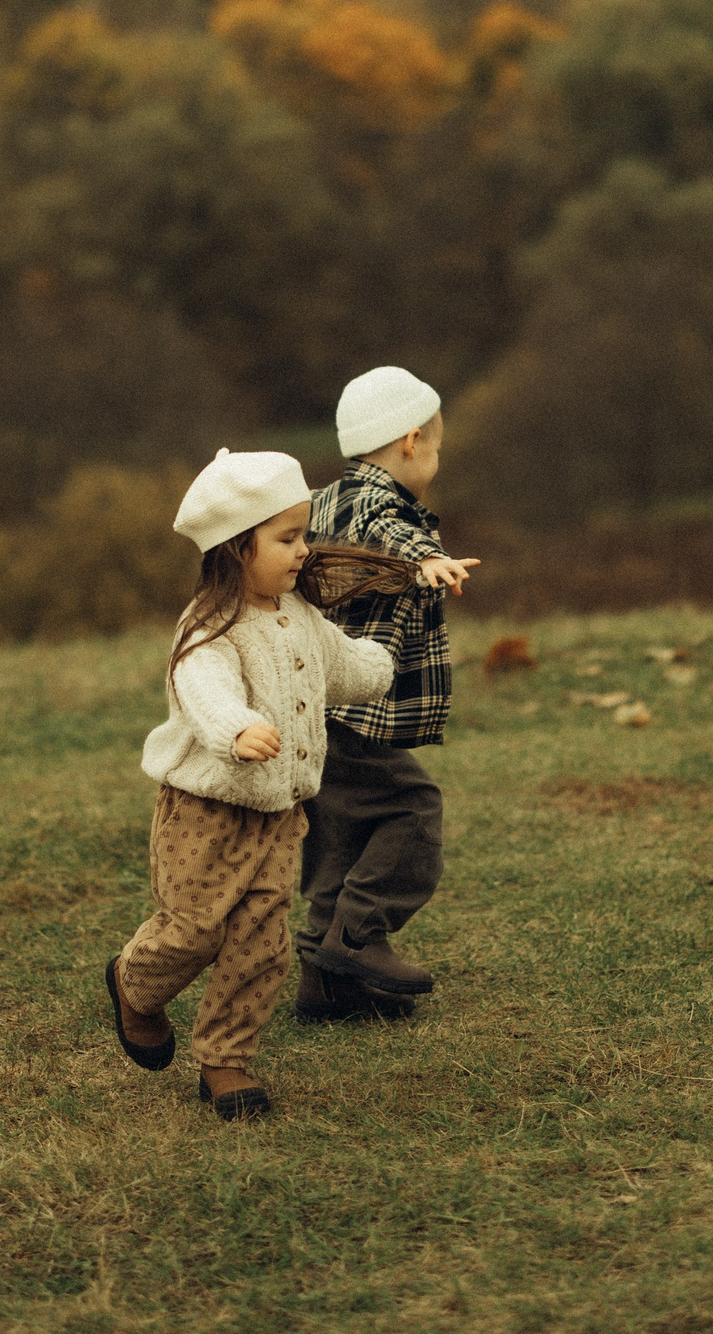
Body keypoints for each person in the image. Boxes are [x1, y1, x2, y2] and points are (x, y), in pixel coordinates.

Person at [102, 450, 412, 1119]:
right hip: (205, 812)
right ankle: (134, 982)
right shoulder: (209, 626)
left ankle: (226, 1061)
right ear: (234, 547)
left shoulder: (301, 617)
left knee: (260, 942)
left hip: (279, 813)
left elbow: (347, 667)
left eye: (303, 532)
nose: (303, 550)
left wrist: (388, 655)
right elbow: (202, 688)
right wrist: (236, 727)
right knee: (194, 930)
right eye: (285, 537)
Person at [296, 367, 479, 1021]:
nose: (435, 458)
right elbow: (392, 532)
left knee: (341, 828)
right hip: (354, 709)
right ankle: (357, 934)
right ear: (410, 441)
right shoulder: (383, 506)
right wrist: (425, 558)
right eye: (435, 447)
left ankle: (323, 982)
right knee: (412, 805)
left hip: (313, 702)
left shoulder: (321, 500)